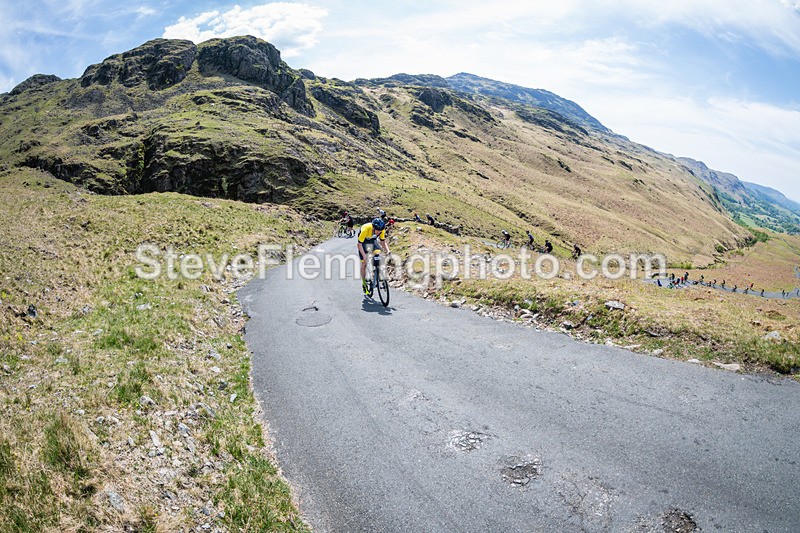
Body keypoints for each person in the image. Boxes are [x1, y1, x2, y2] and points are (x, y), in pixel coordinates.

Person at [358, 218, 390, 294]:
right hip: (363, 242)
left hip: (373, 241)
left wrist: (388, 251)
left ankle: (378, 273)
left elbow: (383, 242)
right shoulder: (365, 229)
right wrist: (364, 256)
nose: (379, 232)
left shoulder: (381, 230)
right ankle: (364, 283)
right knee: (364, 263)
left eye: (380, 231)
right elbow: (359, 245)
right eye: (377, 230)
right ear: (373, 228)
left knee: (378, 254)